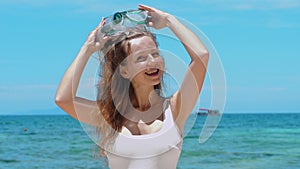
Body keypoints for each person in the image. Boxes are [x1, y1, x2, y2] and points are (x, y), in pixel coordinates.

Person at [55, 4, 209, 169]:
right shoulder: (110, 116)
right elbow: (63, 99)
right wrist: (87, 49)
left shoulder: (174, 108)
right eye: (141, 58)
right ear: (124, 70)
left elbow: (201, 56)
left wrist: (169, 21)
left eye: (155, 54)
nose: (153, 62)